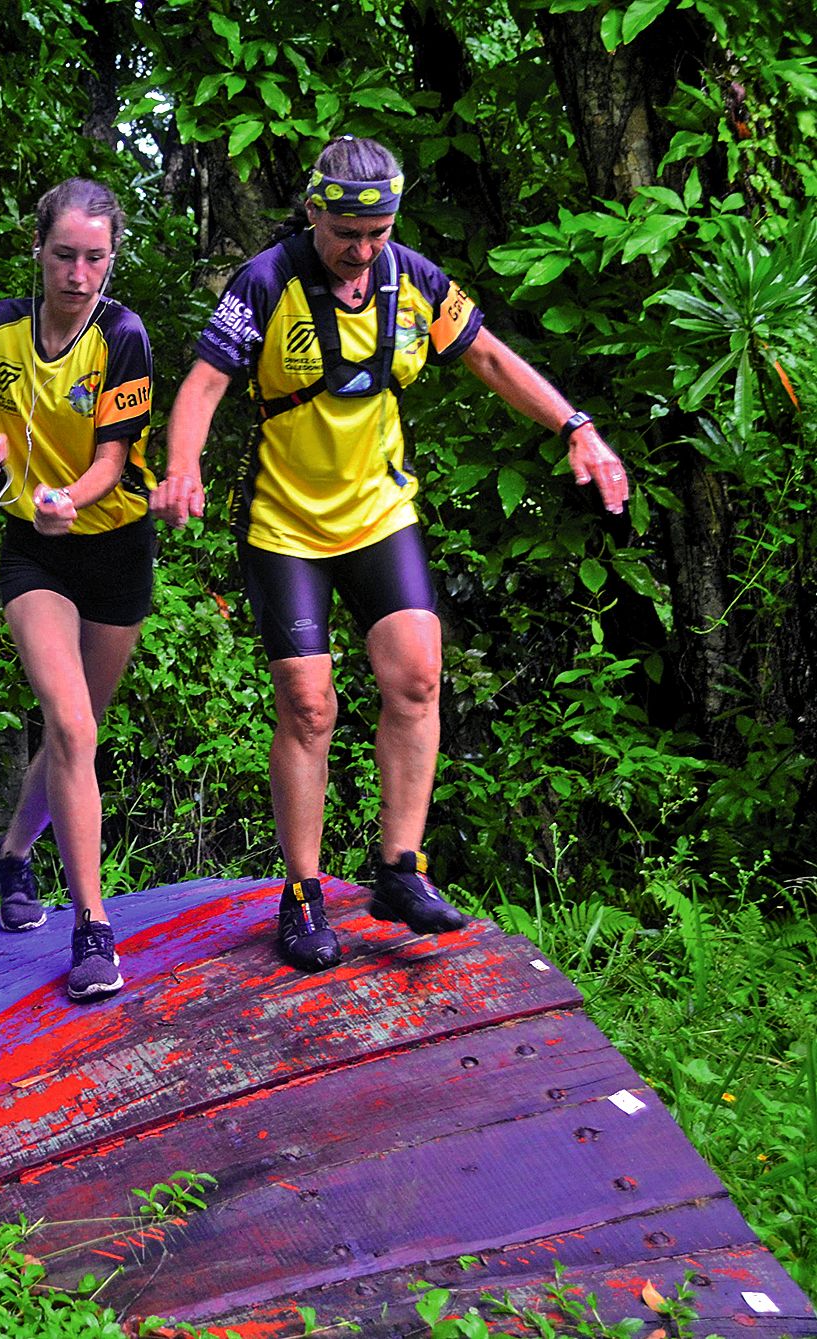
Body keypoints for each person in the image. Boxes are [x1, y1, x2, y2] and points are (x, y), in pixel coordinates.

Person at [151, 134, 630, 971]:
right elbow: (201, 385)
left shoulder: (412, 279)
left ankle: (399, 868)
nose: (363, 250)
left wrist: (575, 426)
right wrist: (182, 465)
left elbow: (484, 353)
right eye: (348, 233)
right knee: (309, 707)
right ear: (313, 213)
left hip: (379, 512)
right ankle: (300, 896)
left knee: (415, 676)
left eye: (378, 232)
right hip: (285, 524)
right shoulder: (266, 282)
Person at [0, 177, 157, 1002]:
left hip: (113, 543)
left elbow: (113, 455)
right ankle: (92, 929)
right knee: (68, 723)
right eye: (64, 255)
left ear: (111, 258)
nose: (79, 273)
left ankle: (11, 853)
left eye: (95, 258)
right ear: (37, 249)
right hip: (32, 550)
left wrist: (74, 496)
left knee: (82, 731)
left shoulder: (124, 334)